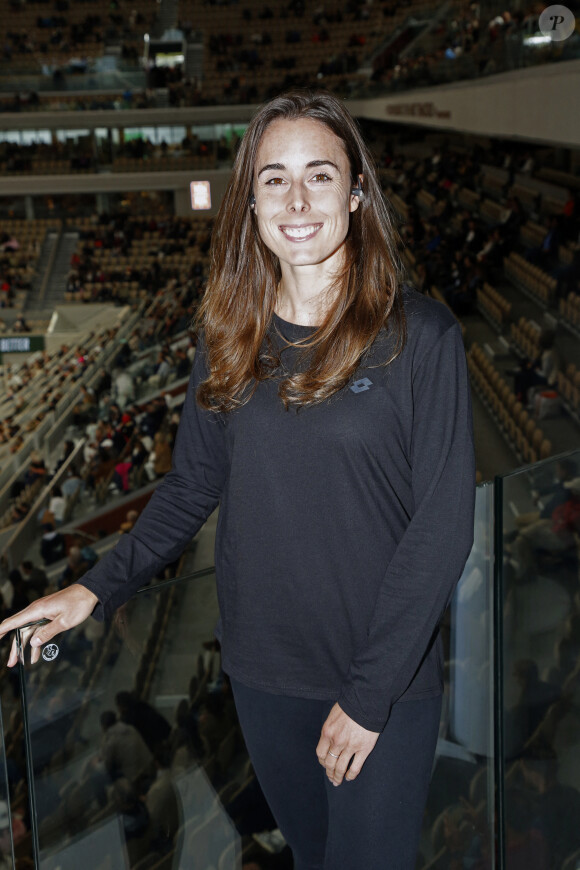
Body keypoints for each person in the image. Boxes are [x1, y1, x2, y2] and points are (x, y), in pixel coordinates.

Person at [0, 89, 475, 869]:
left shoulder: (419, 336)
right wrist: (97, 587)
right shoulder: (229, 334)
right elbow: (193, 485)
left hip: (378, 682)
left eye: (319, 176)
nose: (296, 200)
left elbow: (443, 524)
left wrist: (368, 694)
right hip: (261, 673)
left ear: (356, 195)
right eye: (272, 178)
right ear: (248, 201)